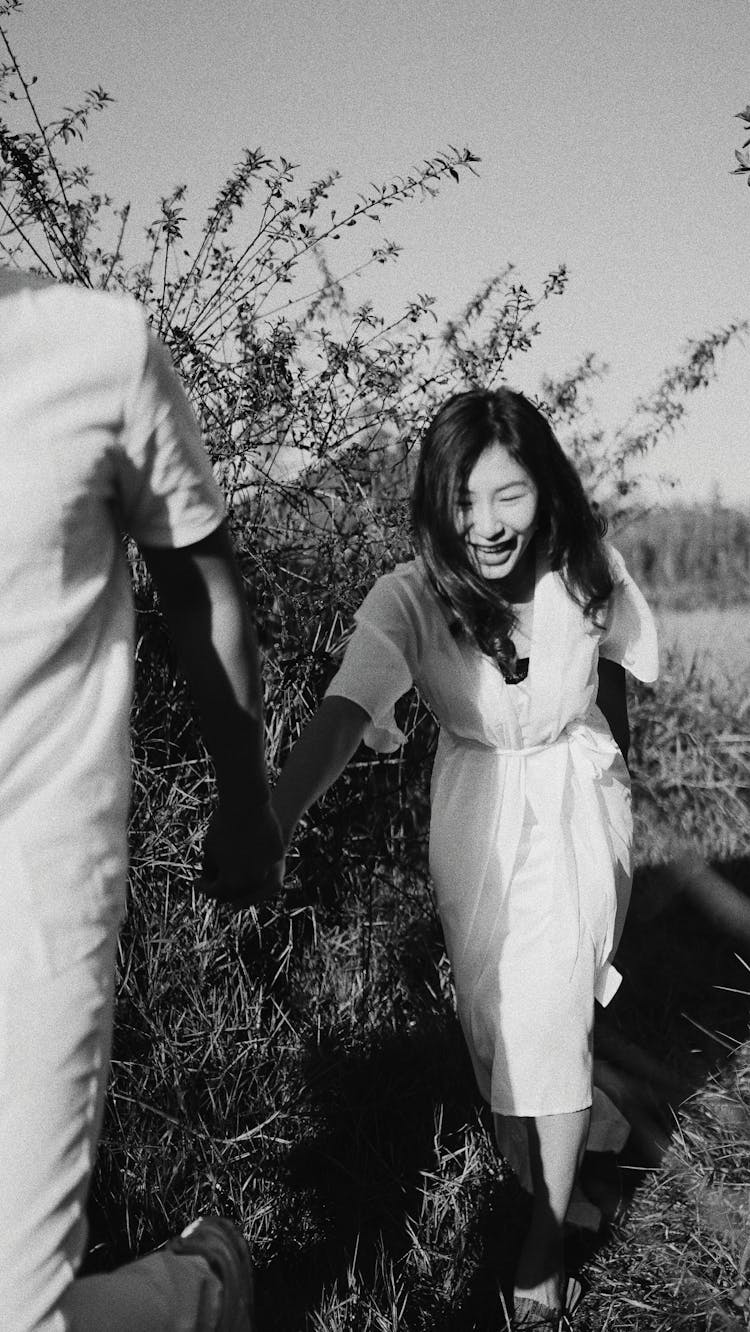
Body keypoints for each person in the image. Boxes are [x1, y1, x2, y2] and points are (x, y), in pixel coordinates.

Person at [271, 388, 658, 1329]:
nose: (485, 526)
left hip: (573, 804)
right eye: (464, 500)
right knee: (494, 1022)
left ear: (546, 488)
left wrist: (619, 805)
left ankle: (545, 1237)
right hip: (475, 816)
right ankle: (566, 1159)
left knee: (552, 1007)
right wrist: (272, 817)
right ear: (435, 500)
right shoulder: (408, 598)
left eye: (510, 495)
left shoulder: (585, 574)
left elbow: (618, 684)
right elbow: (348, 708)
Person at [0, 268, 284, 1332]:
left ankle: (200, 1290)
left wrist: (246, 802)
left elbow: (200, 587)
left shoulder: (95, 347)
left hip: (31, 879)